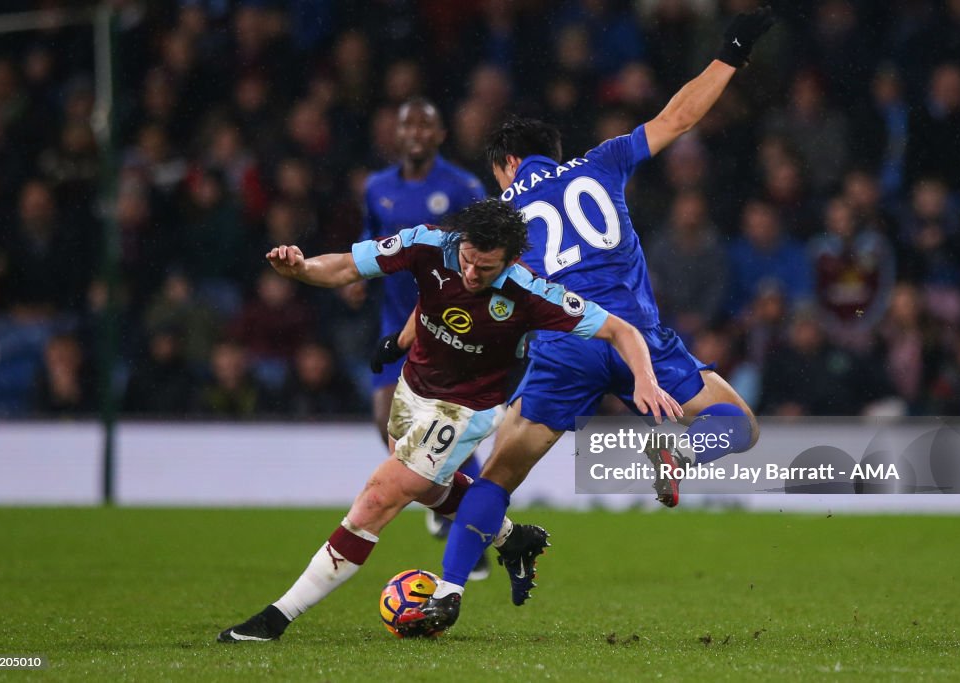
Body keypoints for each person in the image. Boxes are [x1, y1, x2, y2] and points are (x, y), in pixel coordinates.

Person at [398, 5, 775, 637]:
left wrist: (405, 340)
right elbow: (679, 115)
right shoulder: (603, 162)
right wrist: (734, 46)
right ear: (553, 156)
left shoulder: (496, 213)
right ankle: (676, 448)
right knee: (736, 424)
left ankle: (447, 590)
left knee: (498, 476)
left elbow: (447, 281)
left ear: (505, 165)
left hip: (566, 342)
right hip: (638, 344)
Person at [217, 199, 677, 642]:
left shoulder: (531, 292)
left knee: (379, 498)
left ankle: (276, 618)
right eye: (468, 260)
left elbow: (621, 329)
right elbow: (347, 266)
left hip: (466, 409)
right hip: (414, 388)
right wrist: (301, 269)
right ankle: (511, 538)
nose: (472, 273)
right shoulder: (428, 243)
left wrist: (646, 380)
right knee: (425, 485)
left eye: (487, 268)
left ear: (512, 260)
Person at [356, 97, 489, 558]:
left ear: (439, 136)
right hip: (397, 318)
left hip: (449, 322)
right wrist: (357, 279)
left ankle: (466, 510)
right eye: (406, 125)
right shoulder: (376, 187)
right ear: (396, 134)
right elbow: (370, 241)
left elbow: (487, 246)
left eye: (424, 126)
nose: (415, 133)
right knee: (384, 418)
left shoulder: (462, 186)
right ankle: (443, 494)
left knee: (452, 420)